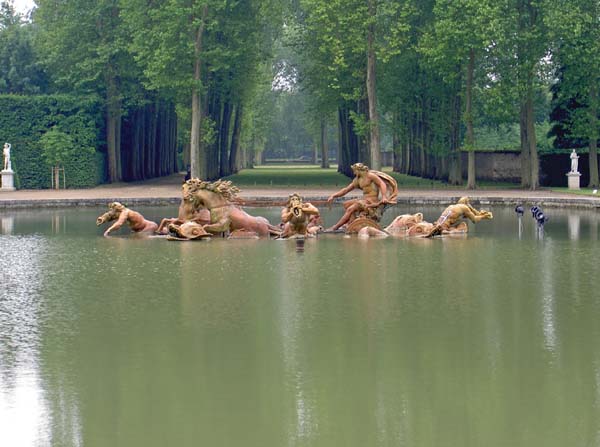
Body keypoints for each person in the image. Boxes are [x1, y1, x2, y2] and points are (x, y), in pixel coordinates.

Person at [326, 163, 398, 231]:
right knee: (346, 204)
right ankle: (351, 223)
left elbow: (382, 183)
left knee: (351, 208)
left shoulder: (370, 176)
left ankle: (335, 227)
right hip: (364, 200)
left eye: (354, 171)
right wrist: (333, 196)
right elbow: (346, 190)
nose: (354, 173)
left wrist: (384, 197)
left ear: (358, 170)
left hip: (371, 201)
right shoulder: (358, 180)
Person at [425, 197, 492, 238]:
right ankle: (448, 233)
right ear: (467, 204)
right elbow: (474, 220)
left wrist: (476, 213)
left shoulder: (452, 206)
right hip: (443, 228)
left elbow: (455, 217)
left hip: (438, 224)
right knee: (462, 226)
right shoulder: (465, 208)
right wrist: (484, 216)